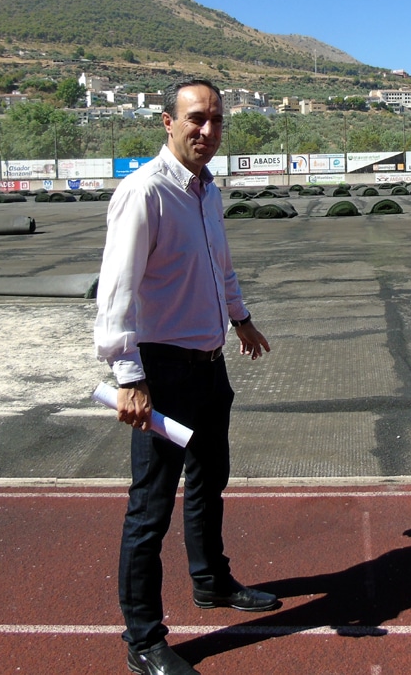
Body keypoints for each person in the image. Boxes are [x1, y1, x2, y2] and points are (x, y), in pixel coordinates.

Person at [94, 76, 279, 675]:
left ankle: (212, 583)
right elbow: (116, 293)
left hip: (209, 367)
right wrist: (128, 376)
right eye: (195, 118)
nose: (206, 130)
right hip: (162, 373)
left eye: (216, 120)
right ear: (168, 124)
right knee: (149, 509)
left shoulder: (207, 192)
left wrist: (241, 318)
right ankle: (143, 640)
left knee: (208, 483)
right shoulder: (144, 192)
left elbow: (219, 266)